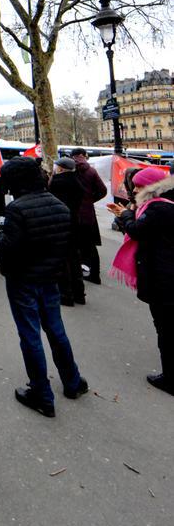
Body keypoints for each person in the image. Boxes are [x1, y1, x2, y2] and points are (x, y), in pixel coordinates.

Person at [0, 156, 88, 417]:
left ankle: (41, 392)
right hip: (50, 277)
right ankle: (72, 380)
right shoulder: (59, 206)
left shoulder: (17, 209)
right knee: (56, 330)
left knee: (30, 335)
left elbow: (8, 248)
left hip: (23, 279)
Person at [109, 166, 174, 395]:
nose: (134, 189)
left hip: (164, 276)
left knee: (165, 328)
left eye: (138, 185)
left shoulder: (156, 208)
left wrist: (124, 215)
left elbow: (137, 230)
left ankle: (170, 378)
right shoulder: (166, 202)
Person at [48, 157, 85, 306]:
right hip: (75, 223)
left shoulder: (57, 183)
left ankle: (66, 294)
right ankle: (79, 293)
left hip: (59, 225)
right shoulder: (77, 181)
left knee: (62, 261)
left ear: (61, 168)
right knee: (74, 259)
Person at [71, 148, 107, 284]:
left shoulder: (68, 170)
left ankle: (78, 271)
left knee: (74, 244)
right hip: (87, 213)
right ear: (84, 156)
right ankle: (94, 275)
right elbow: (103, 190)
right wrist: (90, 200)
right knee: (90, 245)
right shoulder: (91, 171)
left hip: (72, 211)